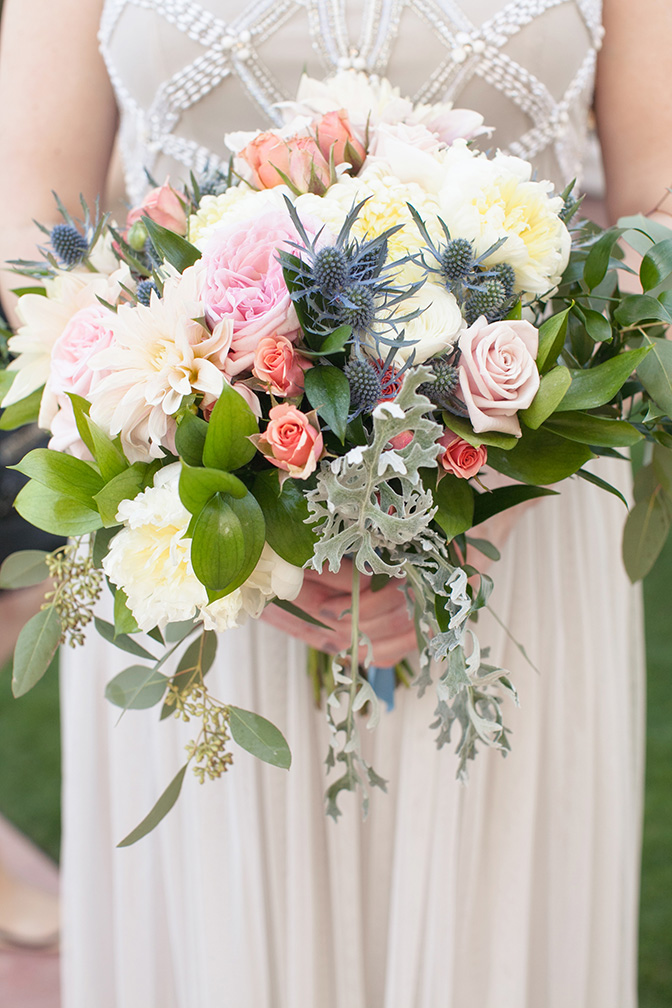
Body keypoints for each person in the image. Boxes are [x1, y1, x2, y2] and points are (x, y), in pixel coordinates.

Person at [0, 1, 668, 1005]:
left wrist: (486, 483)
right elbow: (27, 200)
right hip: (202, 531)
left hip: (517, 532)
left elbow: (656, 204)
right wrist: (219, 486)